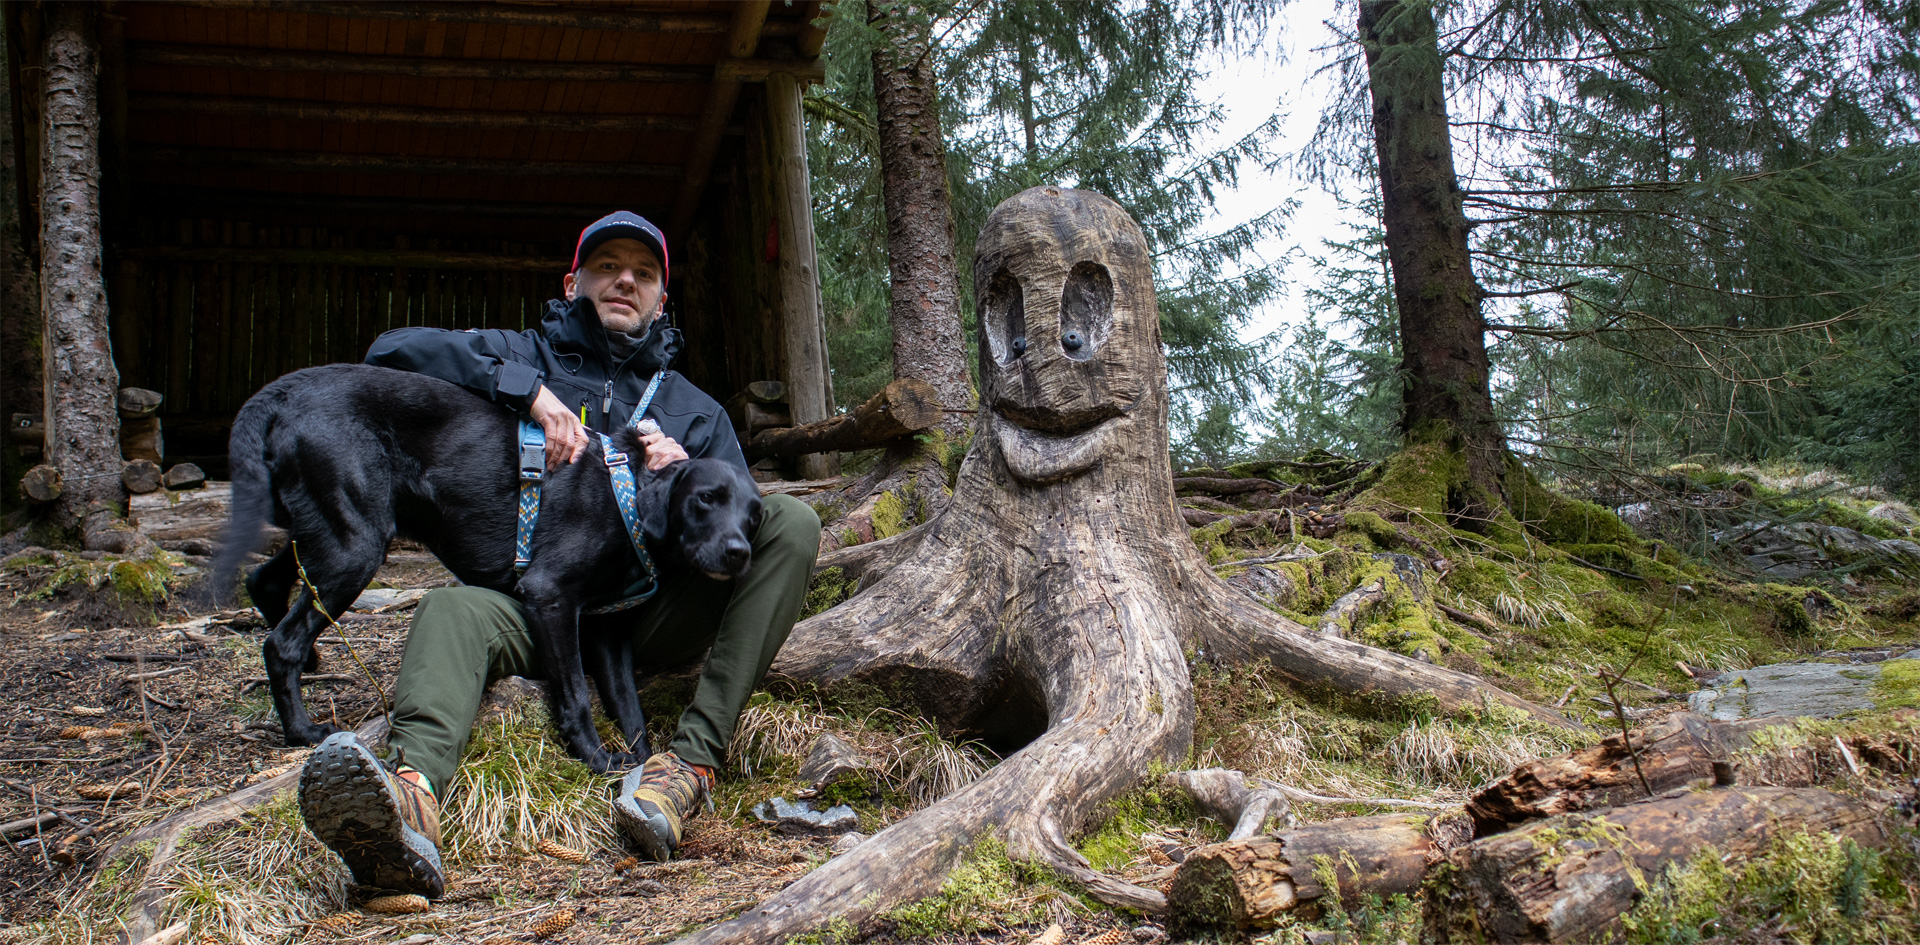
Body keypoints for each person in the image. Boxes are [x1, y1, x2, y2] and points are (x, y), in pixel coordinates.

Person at [295, 211, 821, 897]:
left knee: (794, 519)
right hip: (536, 607)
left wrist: (691, 474)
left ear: (664, 298)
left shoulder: (696, 411)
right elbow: (391, 351)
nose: (625, 279)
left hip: (653, 614)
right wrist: (528, 392)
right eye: (607, 266)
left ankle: (686, 769)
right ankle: (408, 798)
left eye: (644, 271)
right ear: (574, 282)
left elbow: (744, 524)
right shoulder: (521, 356)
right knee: (452, 611)